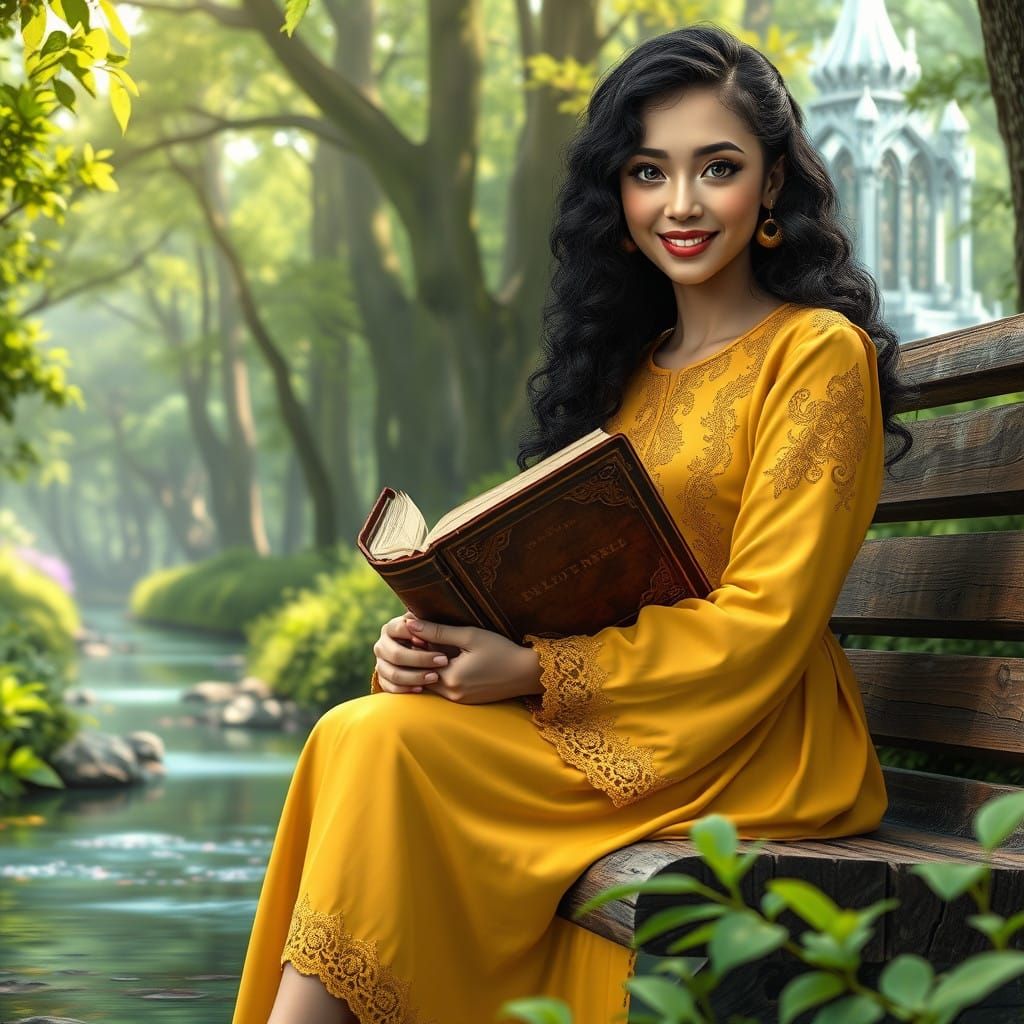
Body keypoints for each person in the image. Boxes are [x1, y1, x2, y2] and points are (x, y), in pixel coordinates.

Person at [231, 21, 917, 1024]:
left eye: (716, 167)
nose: (680, 204)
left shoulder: (814, 356)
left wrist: (536, 671)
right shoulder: (631, 372)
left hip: (756, 732)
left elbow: (766, 620)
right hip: (614, 715)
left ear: (771, 185)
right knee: (358, 730)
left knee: (380, 751)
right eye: (649, 171)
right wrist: (434, 641)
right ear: (620, 194)